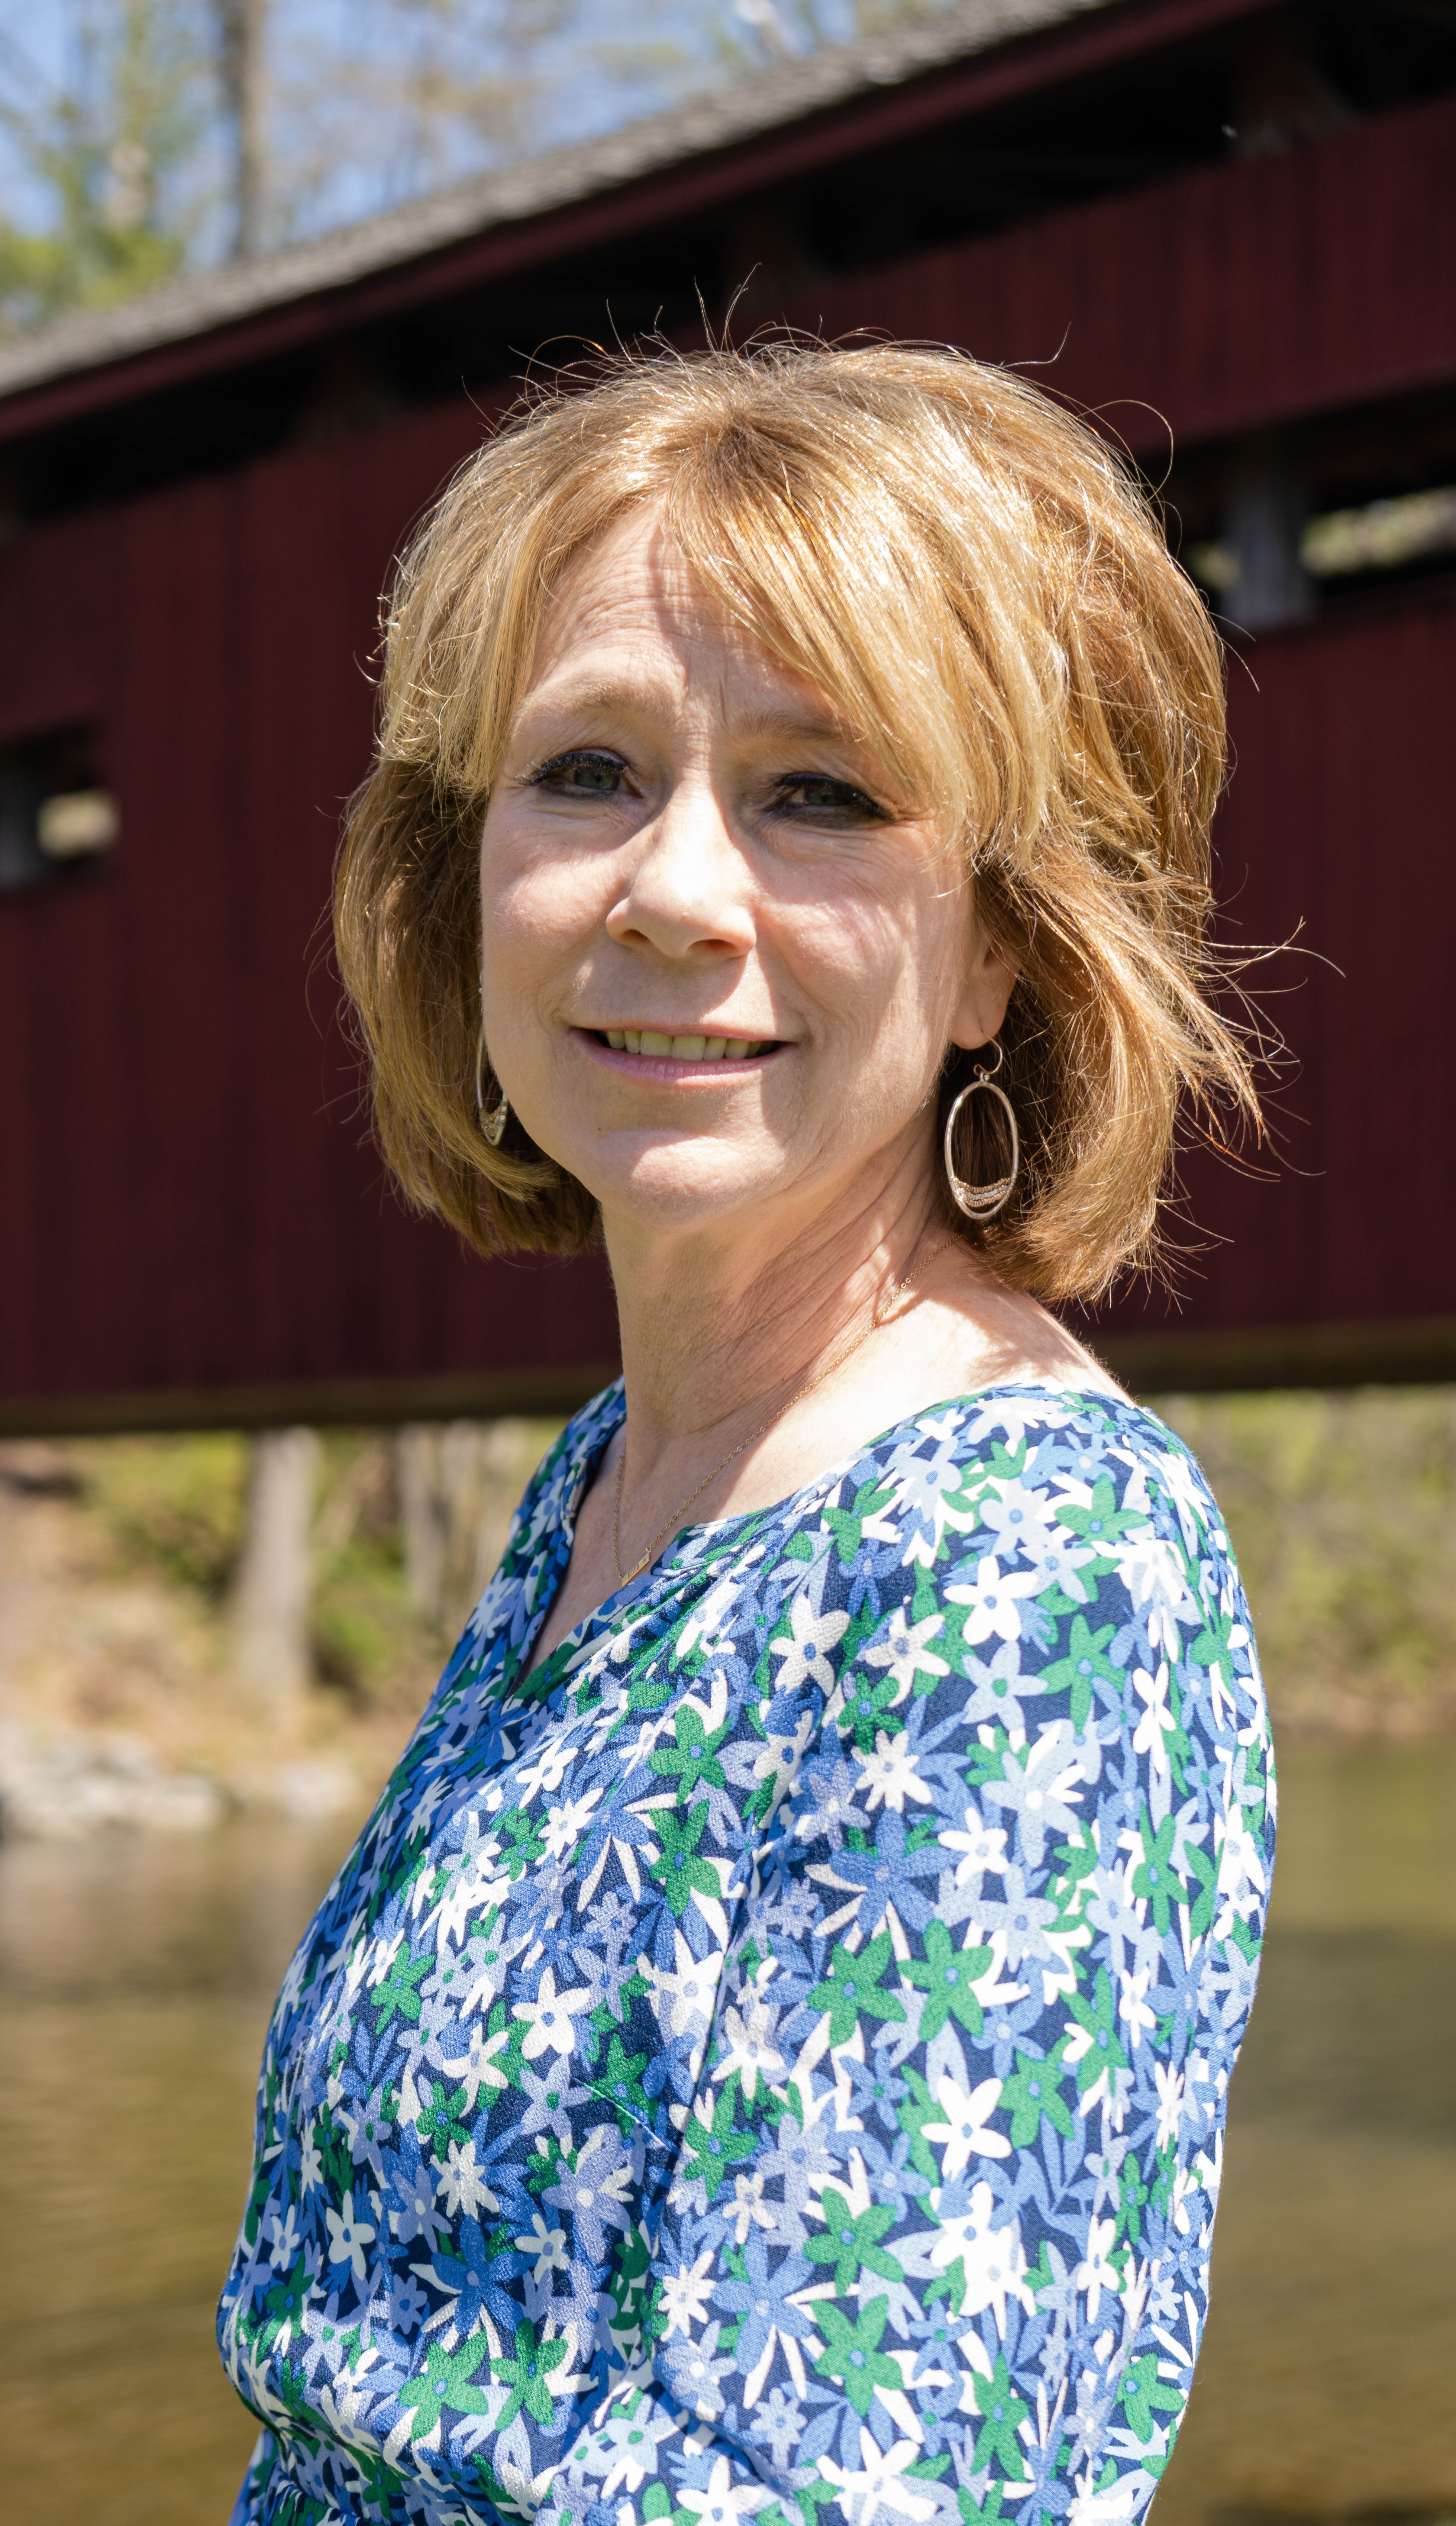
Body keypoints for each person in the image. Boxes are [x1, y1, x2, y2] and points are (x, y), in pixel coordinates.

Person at [218, 343, 1273, 2526]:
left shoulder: (1020, 1573)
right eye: (588, 771)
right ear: (466, 873)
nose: (675, 890)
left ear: (1002, 945)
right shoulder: (607, 1488)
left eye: (822, 793)